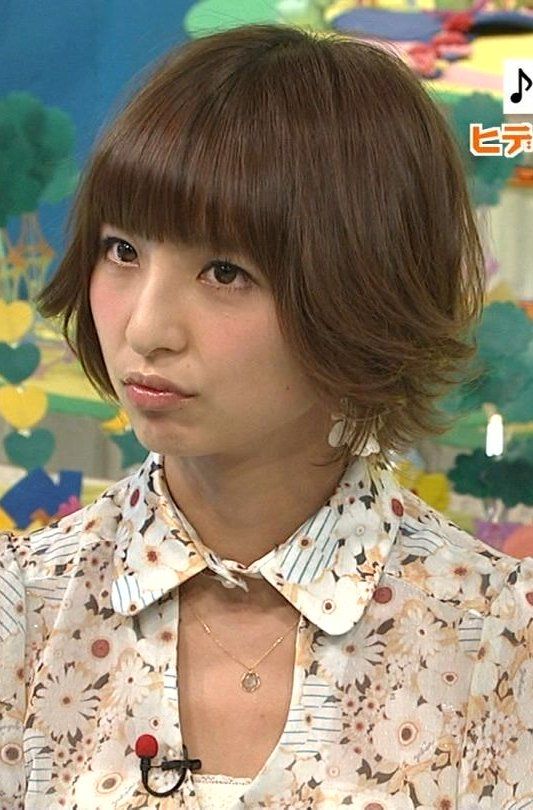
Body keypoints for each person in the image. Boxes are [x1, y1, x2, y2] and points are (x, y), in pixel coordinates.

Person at [0, 22, 531, 810]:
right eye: (121, 251)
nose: (146, 328)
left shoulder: (496, 636)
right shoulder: (24, 610)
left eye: (224, 271)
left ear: (361, 291)